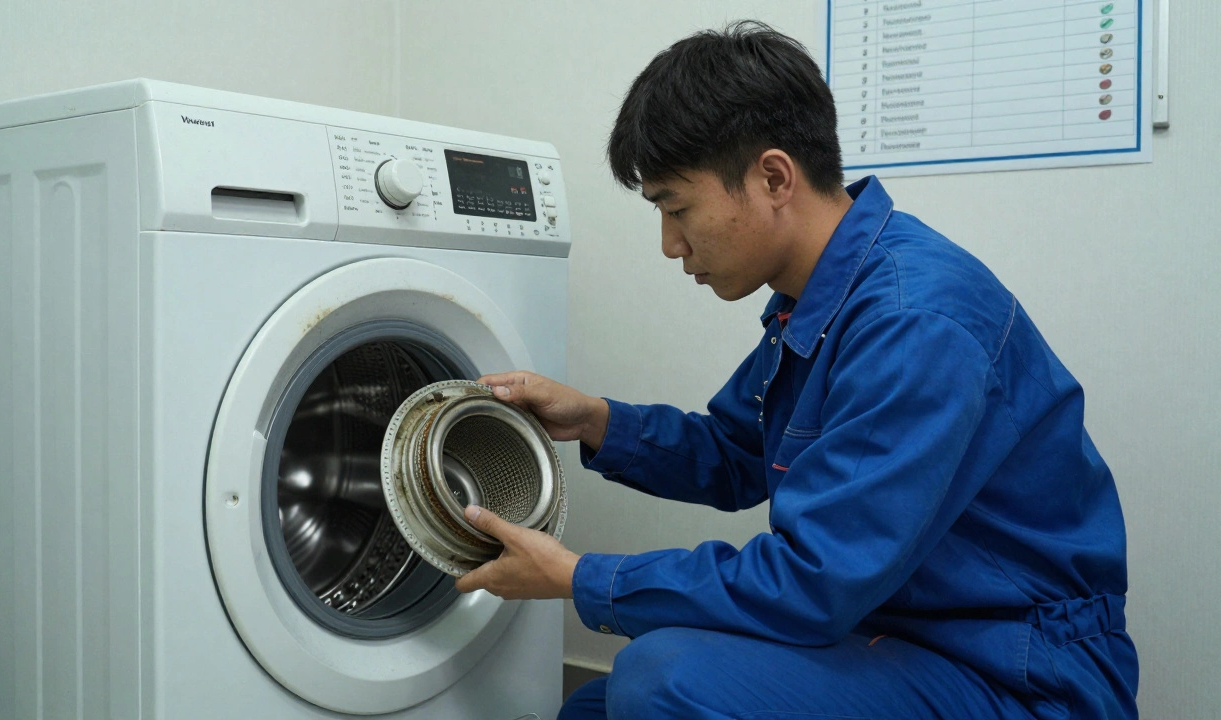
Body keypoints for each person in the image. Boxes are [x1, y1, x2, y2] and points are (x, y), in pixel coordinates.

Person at [453, 21, 1139, 720]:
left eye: (676, 207)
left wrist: (577, 577)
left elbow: (813, 580)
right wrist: (596, 422)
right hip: (900, 633)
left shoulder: (912, 321)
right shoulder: (820, 301)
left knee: (663, 679)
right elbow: (736, 452)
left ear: (774, 177)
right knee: (598, 709)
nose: (669, 244)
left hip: (1015, 672)